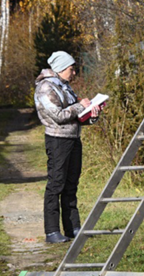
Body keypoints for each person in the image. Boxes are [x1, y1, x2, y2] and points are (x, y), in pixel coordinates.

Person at [34, 51, 102, 243]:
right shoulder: (45, 88)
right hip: (57, 141)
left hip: (73, 139)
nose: (74, 73)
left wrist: (92, 114)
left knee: (71, 184)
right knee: (56, 184)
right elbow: (59, 115)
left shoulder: (65, 87)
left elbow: (75, 117)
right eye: (71, 69)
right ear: (61, 68)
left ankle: (73, 227)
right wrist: (81, 106)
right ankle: (52, 231)